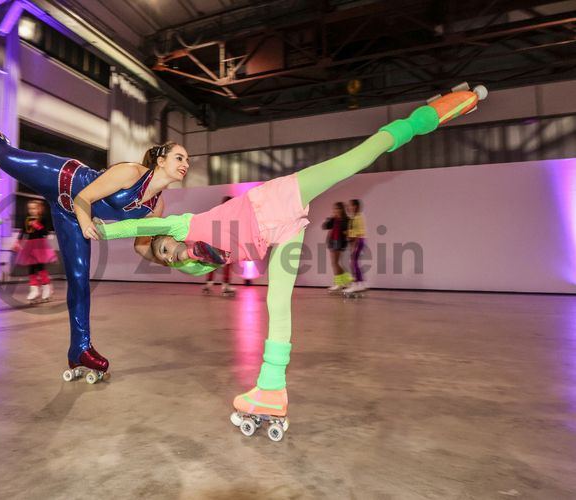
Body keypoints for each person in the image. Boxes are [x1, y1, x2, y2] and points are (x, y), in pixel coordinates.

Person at [91, 85, 486, 439]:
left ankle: (434, 112)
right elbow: (197, 260)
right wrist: (187, 258)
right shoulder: (195, 262)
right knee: (276, 305)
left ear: (169, 238)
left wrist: (98, 229)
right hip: (283, 232)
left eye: (164, 248)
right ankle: (271, 390)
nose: (169, 254)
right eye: (165, 258)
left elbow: (137, 228)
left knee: (361, 155)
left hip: (280, 198)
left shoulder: (183, 224)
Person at [0, 108, 188, 382]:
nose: (185, 163)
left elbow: (141, 247)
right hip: (60, 177)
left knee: (79, 282)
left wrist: (171, 258)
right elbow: (83, 198)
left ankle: (79, 349)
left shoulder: (157, 206)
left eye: (187, 159)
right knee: (3, 156)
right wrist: (88, 226)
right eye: (179, 157)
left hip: (70, 214)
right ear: (161, 161)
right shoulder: (131, 173)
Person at [12, 199, 57, 304]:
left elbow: (45, 232)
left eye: (34, 208)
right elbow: (23, 231)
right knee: (31, 268)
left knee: (40, 267)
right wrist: (17, 242)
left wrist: (36, 224)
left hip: (40, 245)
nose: (31, 210)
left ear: (39, 209)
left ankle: (46, 288)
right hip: (29, 245)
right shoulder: (27, 219)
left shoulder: (43, 219)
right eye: (30, 208)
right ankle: (34, 290)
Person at [202, 196, 236, 296]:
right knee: (226, 263)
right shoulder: (230, 214)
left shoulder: (218, 212)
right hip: (224, 242)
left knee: (214, 263)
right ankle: (225, 287)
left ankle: (208, 285)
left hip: (216, 241)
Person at [323, 202, 351, 291]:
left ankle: (347, 281)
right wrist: (330, 219)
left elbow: (346, 230)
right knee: (334, 263)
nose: (336, 210)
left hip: (339, 242)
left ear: (342, 209)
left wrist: (338, 220)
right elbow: (325, 226)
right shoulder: (334, 219)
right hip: (332, 242)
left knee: (335, 263)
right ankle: (341, 283)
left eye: (338, 208)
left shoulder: (345, 219)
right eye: (334, 209)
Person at [343, 199, 367, 295]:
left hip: (358, 240)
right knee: (354, 262)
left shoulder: (358, 217)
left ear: (355, 206)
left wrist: (354, 244)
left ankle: (356, 284)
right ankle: (360, 283)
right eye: (348, 205)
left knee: (353, 262)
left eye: (351, 205)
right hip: (355, 240)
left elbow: (359, 231)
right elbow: (352, 230)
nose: (349, 207)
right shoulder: (354, 217)